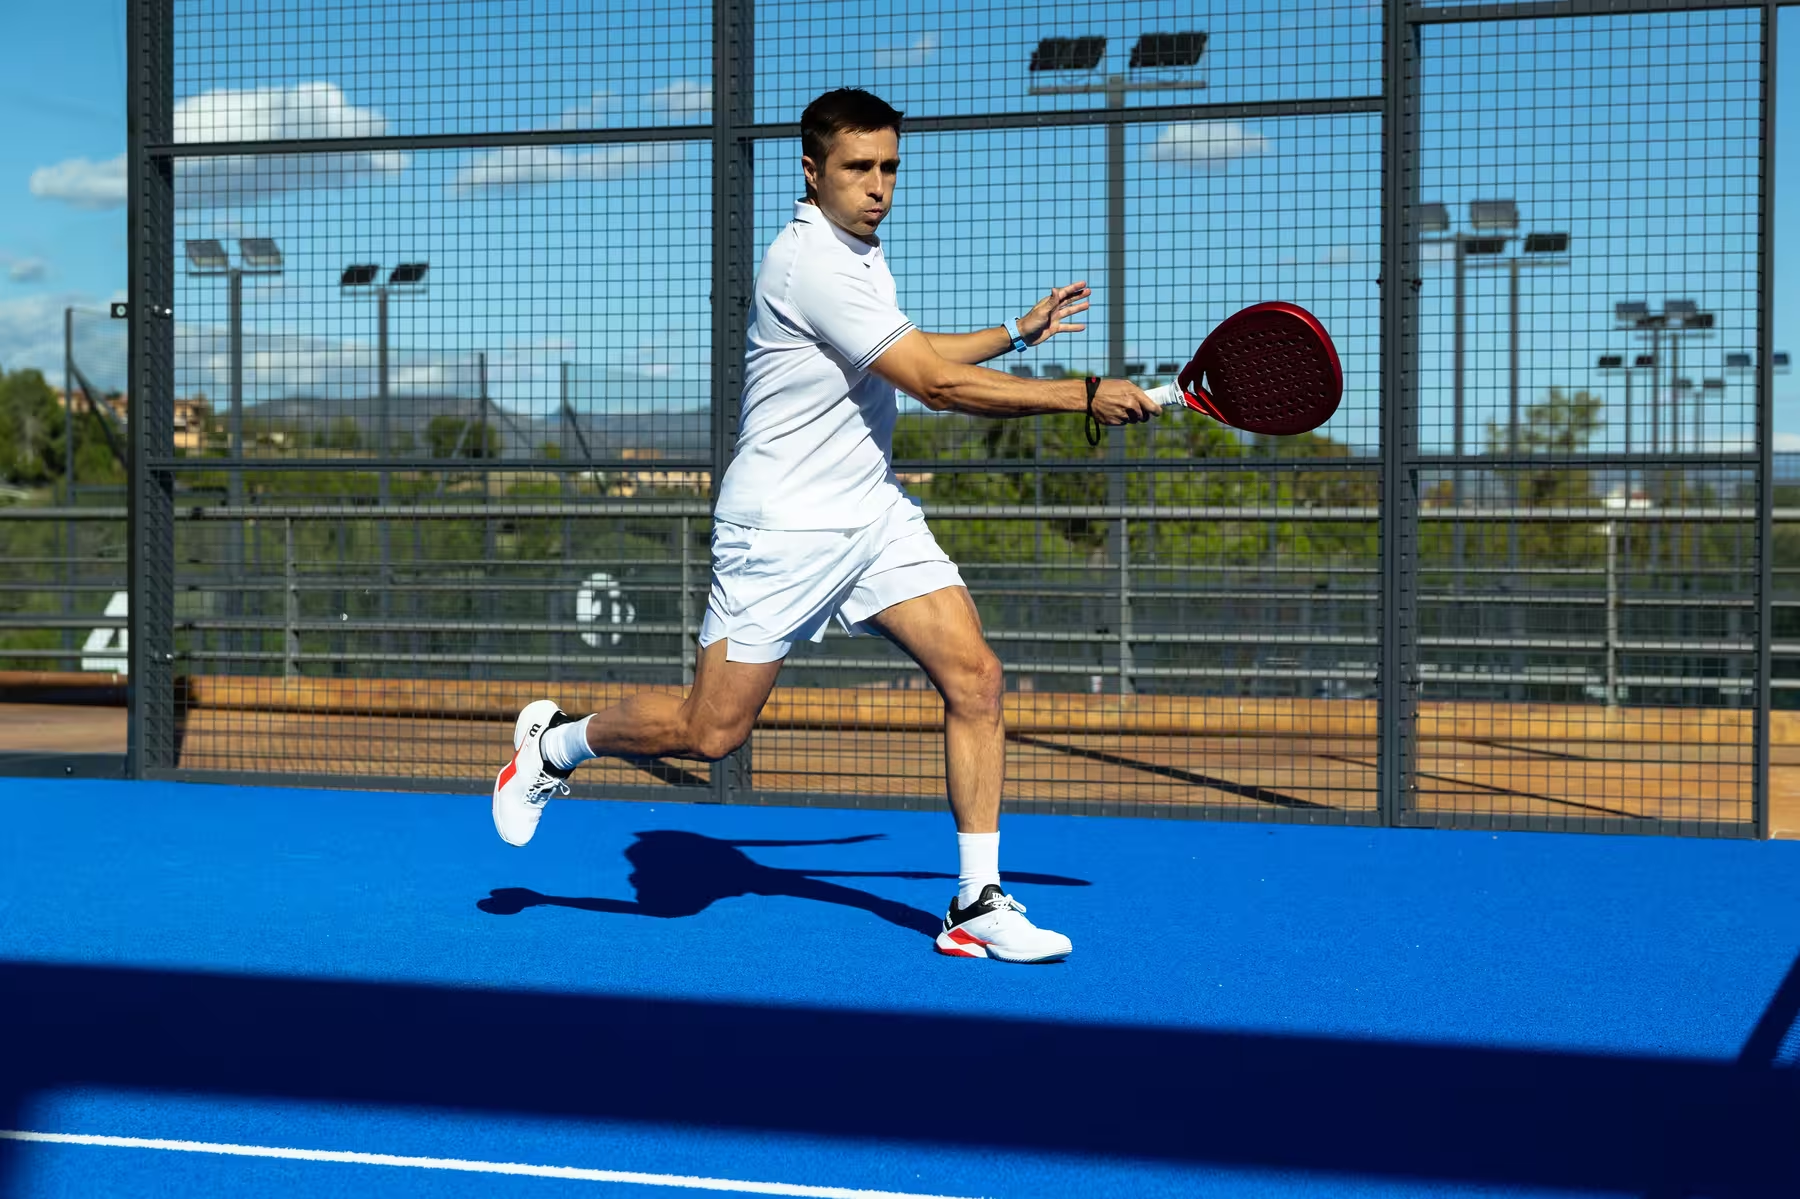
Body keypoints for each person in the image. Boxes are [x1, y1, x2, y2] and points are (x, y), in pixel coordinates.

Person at [492, 87, 1158, 963]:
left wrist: (1014, 332)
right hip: (782, 527)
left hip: (871, 513)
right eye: (858, 167)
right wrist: (1081, 393)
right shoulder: (809, 261)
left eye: (890, 168)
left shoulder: (861, 253)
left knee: (976, 676)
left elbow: (910, 351)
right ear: (812, 172)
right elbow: (934, 385)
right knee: (711, 732)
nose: (878, 185)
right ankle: (556, 745)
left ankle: (976, 901)